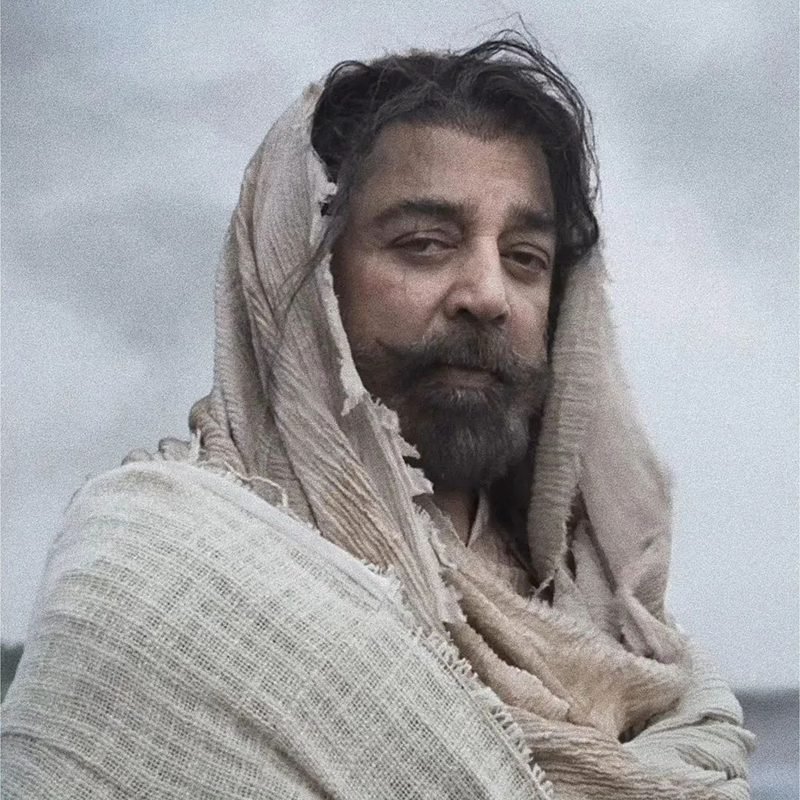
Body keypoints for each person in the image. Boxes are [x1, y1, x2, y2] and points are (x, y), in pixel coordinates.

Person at [1, 34, 753, 799]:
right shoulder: (160, 579)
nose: (488, 294)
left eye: (526, 257)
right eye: (425, 244)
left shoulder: (625, 636)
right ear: (306, 276)